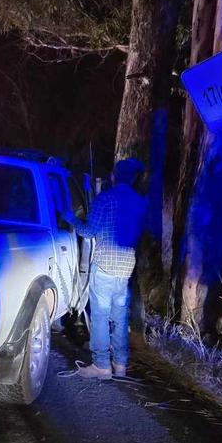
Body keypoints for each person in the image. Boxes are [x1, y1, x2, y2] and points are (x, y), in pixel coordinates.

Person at [62, 158, 146, 379]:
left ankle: (101, 365)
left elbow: (88, 232)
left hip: (104, 267)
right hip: (126, 268)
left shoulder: (104, 199)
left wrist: (72, 219)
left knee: (99, 316)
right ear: (134, 178)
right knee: (120, 318)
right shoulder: (140, 202)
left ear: (113, 176)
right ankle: (120, 365)